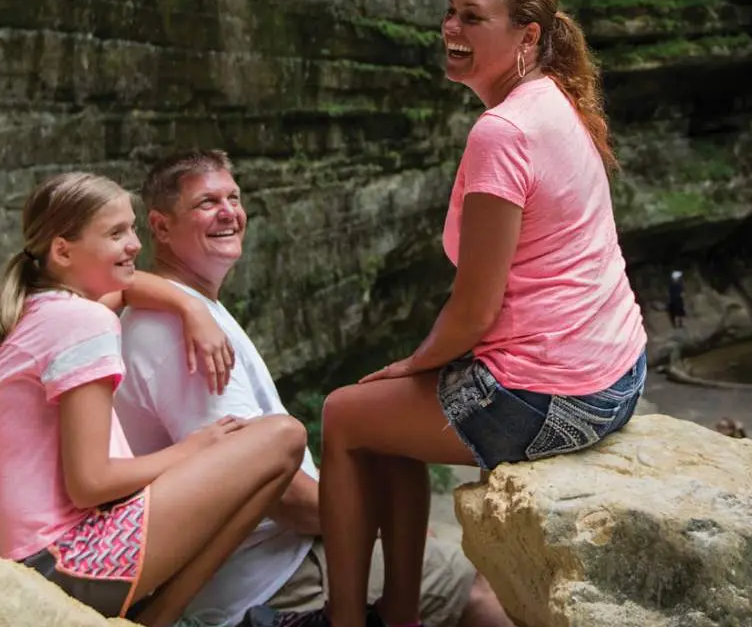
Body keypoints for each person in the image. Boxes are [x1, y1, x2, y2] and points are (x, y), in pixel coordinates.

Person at [305, 0, 650, 627]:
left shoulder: (502, 133)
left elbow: (474, 310)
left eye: (472, 17)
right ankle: (398, 613)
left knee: (344, 417)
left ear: (528, 35)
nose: (451, 28)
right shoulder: (556, 98)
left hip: (555, 396)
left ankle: (348, 620)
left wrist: (412, 365)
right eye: (450, 12)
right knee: (383, 421)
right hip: (620, 375)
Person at [113, 150, 510, 627]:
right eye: (206, 202)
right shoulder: (177, 334)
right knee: (483, 587)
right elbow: (279, 496)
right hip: (276, 577)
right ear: (160, 227)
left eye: (233, 198)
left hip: (285, 554)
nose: (228, 212)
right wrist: (381, 524)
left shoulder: (192, 310)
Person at [0, 172, 307, 626]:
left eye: (132, 228)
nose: (134, 244)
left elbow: (126, 288)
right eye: (116, 233)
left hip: (42, 558)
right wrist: (192, 449)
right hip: (68, 561)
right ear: (63, 251)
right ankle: (161, 618)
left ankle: (157, 618)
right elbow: (91, 483)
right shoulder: (81, 322)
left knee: (275, 449)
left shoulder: (44, 309)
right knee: (282, 438)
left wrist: (189, 307)